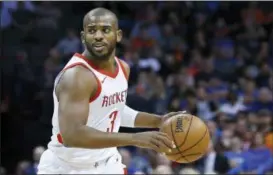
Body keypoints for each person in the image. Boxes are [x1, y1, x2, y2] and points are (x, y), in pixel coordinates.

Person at [37, 7, 183, 174]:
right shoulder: (76, 77)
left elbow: (114, 112)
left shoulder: (123, 68)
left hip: (107, 162)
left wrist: (158, 121)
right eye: (92, 31)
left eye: (105, 30)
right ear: (84, 38)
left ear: (118, 35)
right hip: (68, 167)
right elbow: (72, 135)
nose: (98, 36)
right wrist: (135, 138)